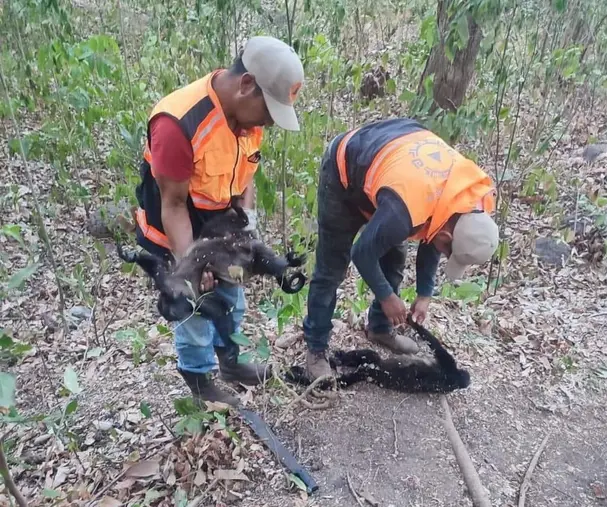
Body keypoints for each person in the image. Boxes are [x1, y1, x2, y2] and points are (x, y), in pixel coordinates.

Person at [133, 36, 305, 405]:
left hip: (221, 228)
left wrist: (249, 232)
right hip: (175, 232)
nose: (270, 123)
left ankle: (231, 362)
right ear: (246, 86)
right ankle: (198, 381)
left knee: (233, 299)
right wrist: (192, 267)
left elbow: (247, 175)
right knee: (195, 310)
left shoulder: (248, 119)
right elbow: (174, 205)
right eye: (269, 112)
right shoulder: (177, 123)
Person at [302, 118, 500, 380]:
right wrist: (387, 297)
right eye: (447, 250)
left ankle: (380, 329)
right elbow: (362, 253)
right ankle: (315, 350)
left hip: (392, 181)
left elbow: (435, 232)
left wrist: (424, 293)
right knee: (331, 270)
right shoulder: (405, 209)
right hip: (345, 172)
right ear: (447, 235)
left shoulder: (467, 201)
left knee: (394, 258)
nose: (443, 253)